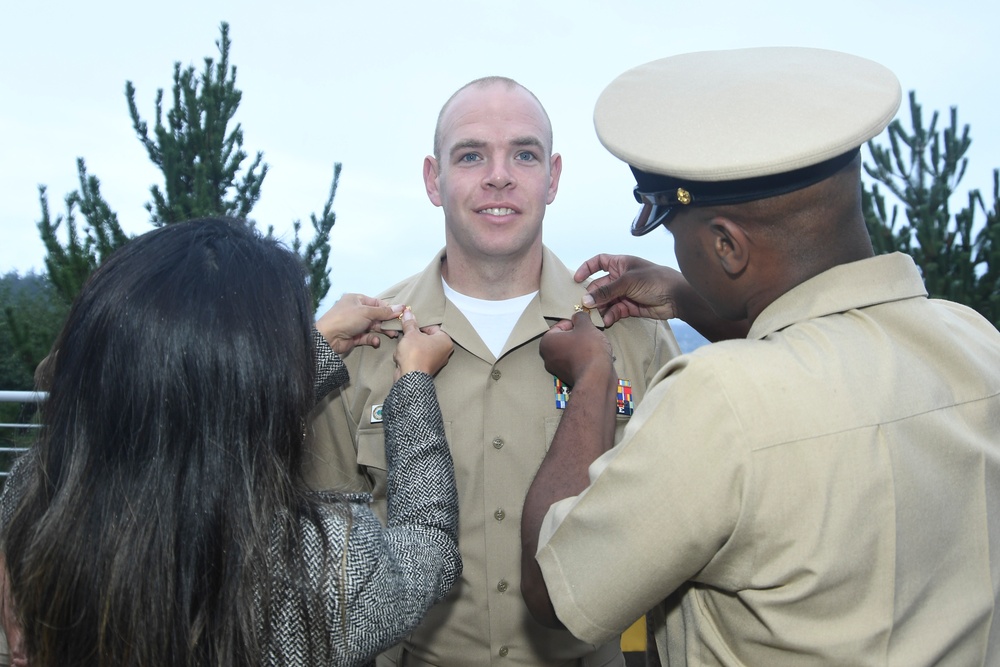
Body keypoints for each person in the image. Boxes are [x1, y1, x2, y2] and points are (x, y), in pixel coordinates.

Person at [521, 47, 1000, 666]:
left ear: (726, 244)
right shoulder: (975, 342)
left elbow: (552, 591)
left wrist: (590, 378)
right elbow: (833, 370)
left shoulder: (718, 400)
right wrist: (696, 295)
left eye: (675, 231)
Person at [306, 76, 687, 665]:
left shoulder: (632, 335)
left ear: (553, 177)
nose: (499, 176)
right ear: (434, 180)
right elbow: (328, 562)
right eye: (471, 155)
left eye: (524, 154)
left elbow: (684, 534)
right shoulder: (367, 343)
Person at [0, 217, 461, 667]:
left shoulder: (33, 495)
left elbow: (185, 412)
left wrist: (309, 350)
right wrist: (413, 382)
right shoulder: (326, 566)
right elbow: (428, 547)